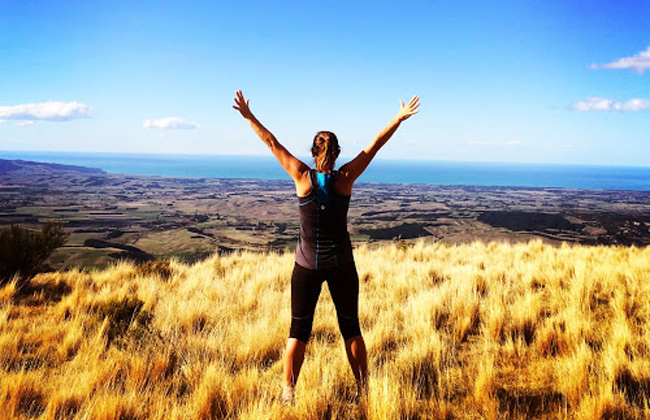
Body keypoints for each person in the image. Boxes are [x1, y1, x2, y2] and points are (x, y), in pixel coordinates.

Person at [232, 90, 420, 404]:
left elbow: (272, 143)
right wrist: (398, 119)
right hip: (342, 264)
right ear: (336, 152)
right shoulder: (346, 177)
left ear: (314, 150)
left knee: (298, 332)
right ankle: (364, 392)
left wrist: (249, 117)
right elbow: (374, 146)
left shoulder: (301, 175)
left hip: (306, 265)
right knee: (351, 329)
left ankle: (288, 393)